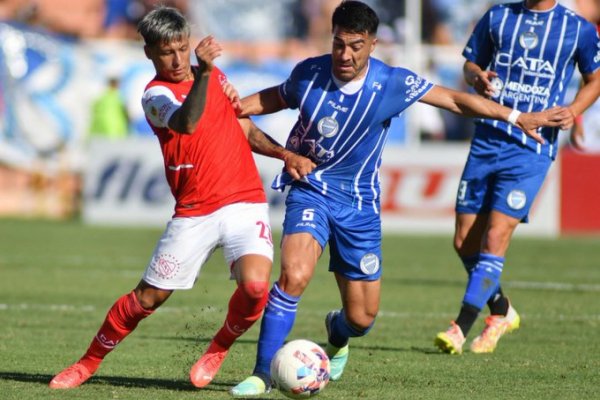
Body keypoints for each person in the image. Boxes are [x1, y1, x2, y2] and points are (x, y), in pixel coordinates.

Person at [228, 1, 568, 396]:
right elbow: (262, 102)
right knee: (294, 276)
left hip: (359, 208)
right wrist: (233, 110)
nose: (345, 54)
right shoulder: (309, 73)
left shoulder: (392, 83)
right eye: (339, 43)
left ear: (373, 44)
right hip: (312, 191)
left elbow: (457, 101)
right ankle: (261, 376)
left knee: (362, 317)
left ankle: (337, 335)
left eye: (356, 45)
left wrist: (515, 117)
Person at [48, 6, 314, 389]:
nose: (177, 59)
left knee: (256, 287)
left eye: (183, 48)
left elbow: (243, 127)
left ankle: (219, 347)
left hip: (244, 200)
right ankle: (87, 363)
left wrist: (285, 154)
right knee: (148, 299)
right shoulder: (154, 95)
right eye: (167, 52)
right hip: (195, 211)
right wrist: (205, 73)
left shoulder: (214, 74)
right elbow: (187, 123)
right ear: (149, 54)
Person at [434, 0, 600, 355]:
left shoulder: (578, 28)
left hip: (532, 148)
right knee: (464, 241)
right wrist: (476, 77)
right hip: (488, 137)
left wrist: (574, 111)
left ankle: (461, 326)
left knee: (496, 235)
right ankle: (502, 310)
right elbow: (469, 64)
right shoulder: (498, 16)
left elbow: (595, 78)